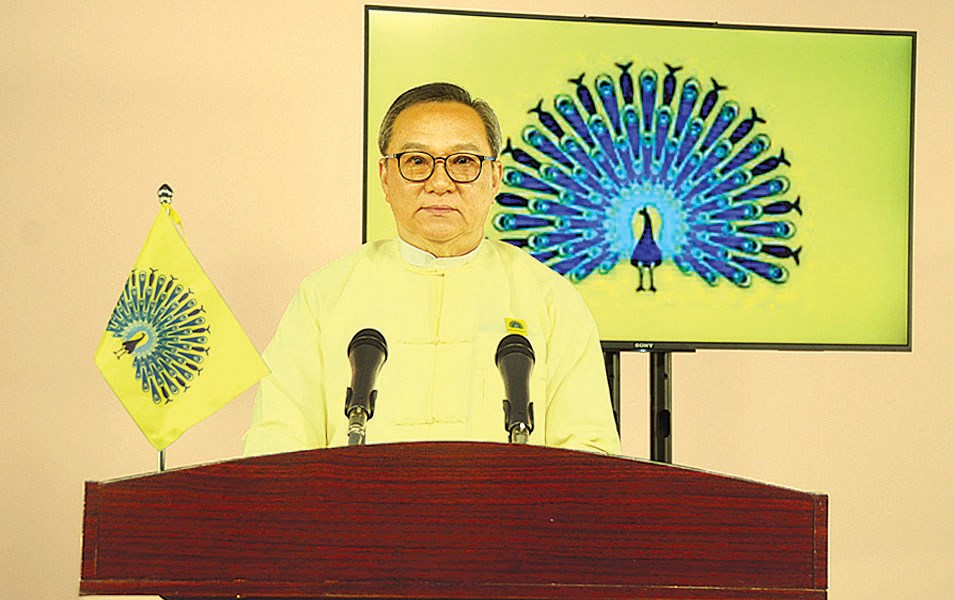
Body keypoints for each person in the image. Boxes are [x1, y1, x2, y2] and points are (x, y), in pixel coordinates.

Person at [242, 82, 620, 456]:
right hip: (358, 500)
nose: (440, 183)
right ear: (385, 177)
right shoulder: (324, 296)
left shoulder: (551, 300)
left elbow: (590, 455)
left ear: (494, 178)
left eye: (463, 162)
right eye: (417, 161)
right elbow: (276, 445)